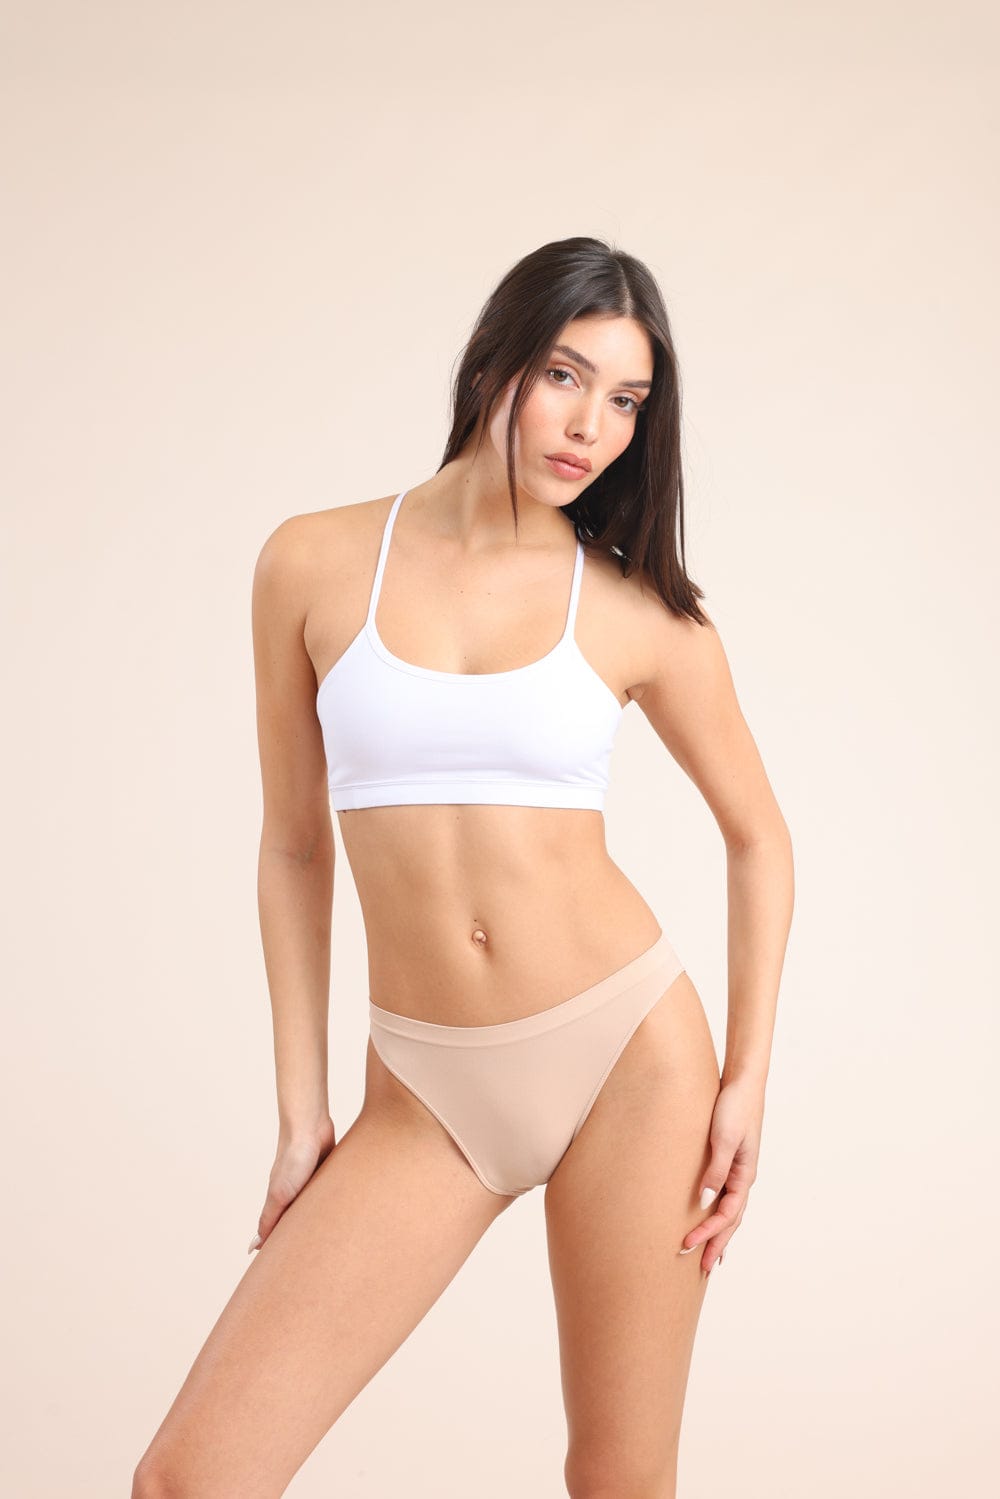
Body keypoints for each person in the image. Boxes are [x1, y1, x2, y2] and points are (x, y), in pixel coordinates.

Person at [132, 236, 794, 1499]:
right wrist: (299, 1110)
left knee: (617, 1478)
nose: (591, 426)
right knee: (192, 1477)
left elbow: (759, 836)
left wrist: (746, 1079)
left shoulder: (634, 607)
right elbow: (292, 842)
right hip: (423, 1089)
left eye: (626, 400)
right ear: (496, 360)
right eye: (566, 376)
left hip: (629, 1061)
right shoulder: (310, 561)